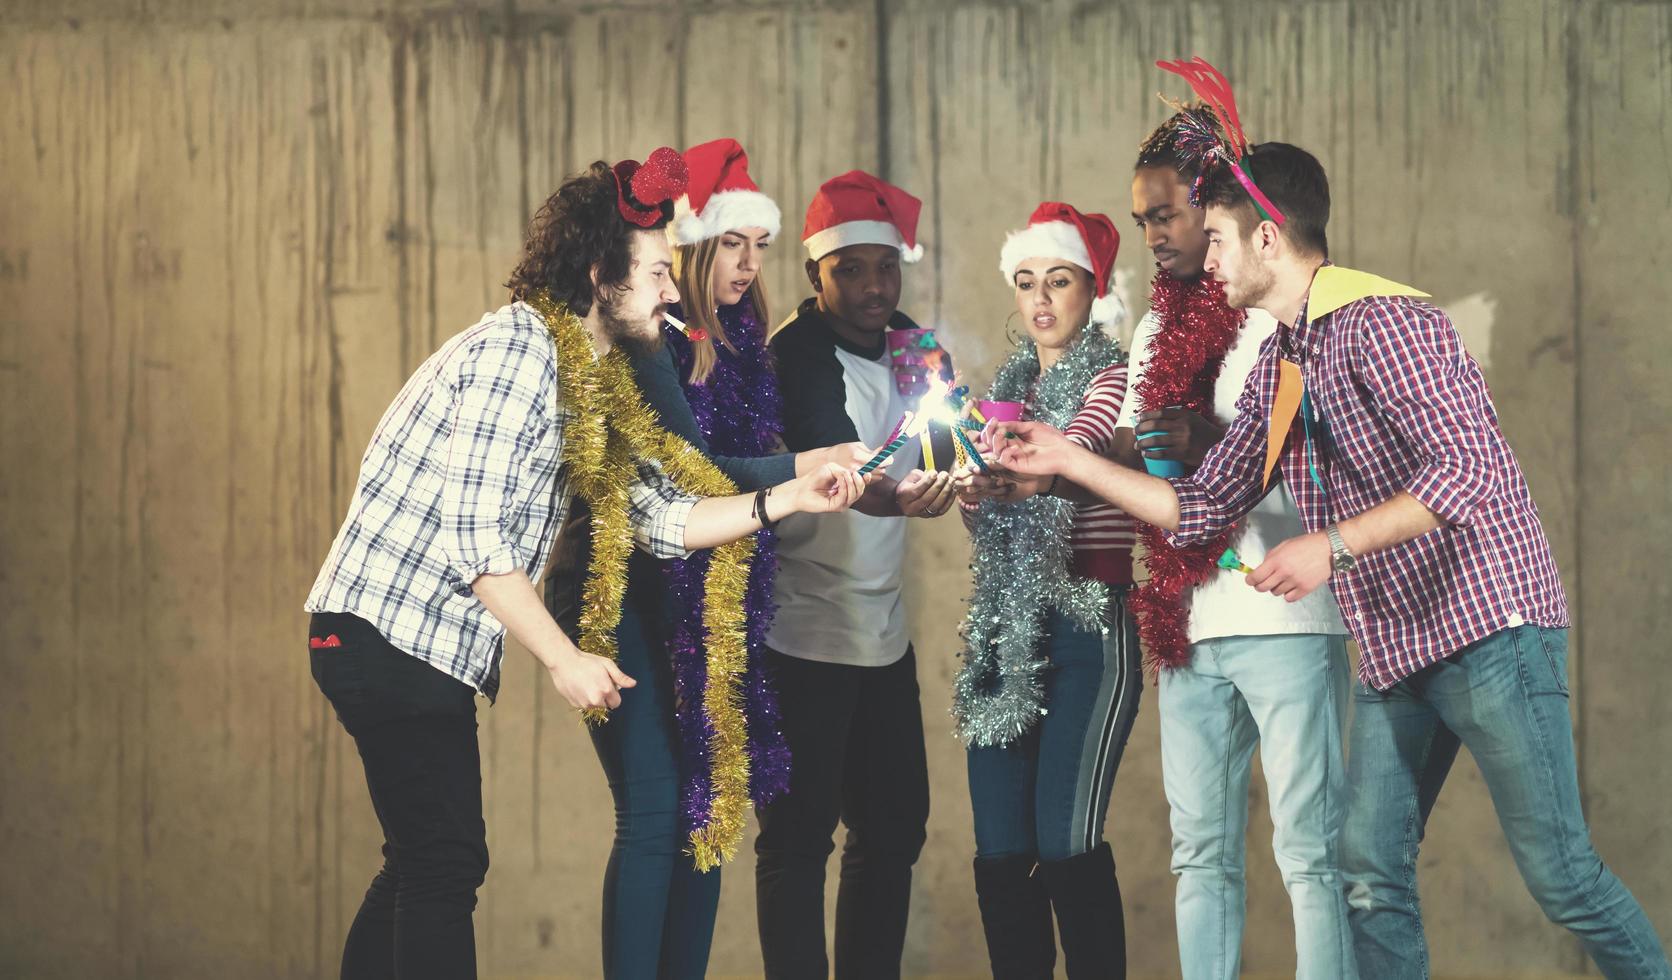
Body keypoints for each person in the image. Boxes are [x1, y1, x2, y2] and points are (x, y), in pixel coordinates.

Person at [984, 77, 1672, 978]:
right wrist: (1065, 459)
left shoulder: (1383, 320)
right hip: (1398, 645)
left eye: (1218, 235)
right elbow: (1201, 504)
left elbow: (1469, 468)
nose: (1206, 256)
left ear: (1267, 237)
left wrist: (1331, 544)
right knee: (1366, 875)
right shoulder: (1283, 355)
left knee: (1564, 880)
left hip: (1490, 629)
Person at [303, 149, 866, 980]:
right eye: (656, 273)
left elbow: (660, 516)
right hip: (384, 633)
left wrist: (791, 497)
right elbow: (475, 540)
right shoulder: (517, 352)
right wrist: (565, 659)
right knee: (445, 863)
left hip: (411, 646)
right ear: (601, 271)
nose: (674, 291)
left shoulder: (590, 376)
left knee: (422, 860)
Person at [559, 137, 866, 980]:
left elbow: (739, 470)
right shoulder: (647, 335)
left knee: (706, 812)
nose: (747, 263)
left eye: (759, 246)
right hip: (622, 582)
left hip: (707, 590)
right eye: (733, 243)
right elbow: (702, 473)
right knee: (657, 809)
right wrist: (810, 468)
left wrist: (836, 471)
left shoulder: (737, 336)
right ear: (686, 249)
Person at [1116, 105, 1355, 979]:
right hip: (1187, 620)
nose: (1155, 234)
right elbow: (1147, 476)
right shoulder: (1150, 331)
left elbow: (1331, 471)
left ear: (1220, 208)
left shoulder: (1277, 311)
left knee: (1311, 853)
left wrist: (1206, 446)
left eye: (1169, 214)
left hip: (1287, 615)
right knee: (1199, 855)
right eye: (1142, 218)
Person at [753, 169, 958, 980]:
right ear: (814, 274)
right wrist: (901, 500)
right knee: (798, 839)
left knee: (895, 829)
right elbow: (841, 473)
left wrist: (968, 473)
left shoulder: (916, 344)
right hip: (802, 634)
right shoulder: (794, 357)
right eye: (852, 270)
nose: (875, 288)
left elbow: (951, 443)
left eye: (886, 267)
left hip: (885, 636)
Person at [950, 202, 1142, 979]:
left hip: (1088, 628)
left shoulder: (1117, 376)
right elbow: (991, 524)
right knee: (1001, 852)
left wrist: (1017, 463)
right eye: (1026, 282)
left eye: (1057, 281)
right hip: (1005, 633)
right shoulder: (1006, 392)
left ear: (1090, 290)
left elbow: (1084, 445)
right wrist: (970, 486)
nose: (1039, 299)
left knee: (1067, 844)